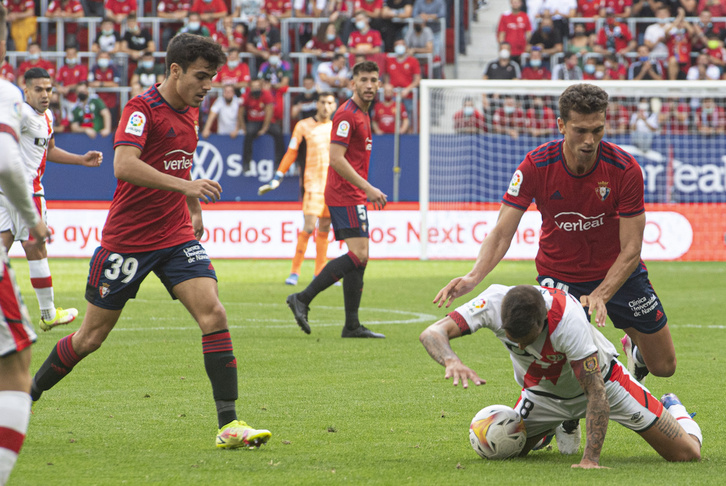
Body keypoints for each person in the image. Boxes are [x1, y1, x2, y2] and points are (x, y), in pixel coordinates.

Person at [28, 33, 271, 450]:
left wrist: (191, 208)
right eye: (200, 76)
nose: (208, 85)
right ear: (174, 70)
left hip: (175, 236)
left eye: (212, 77)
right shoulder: (141, 109)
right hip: (128, 241)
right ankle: (24, 397)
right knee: (90, 338)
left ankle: (229, 424)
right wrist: (187, 187)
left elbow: (182, 161)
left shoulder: (191, 110)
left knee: (213, 313)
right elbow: (124, 166)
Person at [433, 83, 676, 385]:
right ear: (561, 125)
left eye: (597, 130)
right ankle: (566, 420)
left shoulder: (625, 169)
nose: (589, 140)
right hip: (559, 275)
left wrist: (600, 294)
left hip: (618, 272)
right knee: (560, 363)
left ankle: (635, 352)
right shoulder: (536, 165)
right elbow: (501, 234)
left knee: (664, 366)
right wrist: (473, 276)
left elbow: (632, 248)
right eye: (580, 131)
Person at [420, 284, 702, 467]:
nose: (519, 347)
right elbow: (432, 332)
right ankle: (555, 424)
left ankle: (673, 407)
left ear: (542, 321)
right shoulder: (493, 302)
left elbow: (596, 392)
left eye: (526, 339)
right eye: (512, 338)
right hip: (541, 396)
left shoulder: (568, 319)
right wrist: (450, 360)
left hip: (607, 384)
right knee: (501, 450)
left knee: (687, 455)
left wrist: (590, 459)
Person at [286, 61, 387, 339]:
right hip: (344, 193)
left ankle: (352, 325)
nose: (369, 85)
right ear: (352, 83)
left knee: (360, 259)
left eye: (373, 80)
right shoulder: (347, 115)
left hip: (352, 193)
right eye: (363, 80)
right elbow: (335, 158)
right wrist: (368, 188)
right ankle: (302, 298)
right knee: (359, 255)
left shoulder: (364, 114)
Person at [1, 67, 102, 332]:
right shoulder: (20, 113)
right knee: (37, 249)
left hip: (6, 194)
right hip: (26, 193)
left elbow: (51, 150)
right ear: (26, 90)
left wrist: (81, 160)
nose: (45, 95)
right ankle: (48, 314)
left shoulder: (47, 116)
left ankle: (47, 313)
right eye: (38, 89)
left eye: (49, 89)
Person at [0, 6, 52, 484]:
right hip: (13, 198)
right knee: (16, 368)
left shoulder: (37, 111)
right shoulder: (7, 97)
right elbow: (8, 160)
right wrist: (32, 218)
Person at [258, 93, 338, 286]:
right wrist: (278, 176)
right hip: (311, 184)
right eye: (322, 102)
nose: (326, 107)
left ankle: (320, 272)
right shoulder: (303, 126)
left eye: (329, 103)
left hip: (332, 186)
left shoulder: (337, 128)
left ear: (334, 106)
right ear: (316, 104)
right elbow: (292, 152)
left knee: (325, 229)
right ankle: (294, 272)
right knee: (309, 227)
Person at [239, 78, 284, 175]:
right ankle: (246, 164)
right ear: (250, 87)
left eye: (258, 87)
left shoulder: (266, 94)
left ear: (261, 87)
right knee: (249, 134)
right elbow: (240, 112)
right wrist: (243, 126)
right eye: (254, 87)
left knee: (278, 132)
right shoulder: (246, 95)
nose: (256, 89)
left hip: (266, 121)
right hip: (253, 122)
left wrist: (264, 128)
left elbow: (269, 112)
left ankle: (279, 163)